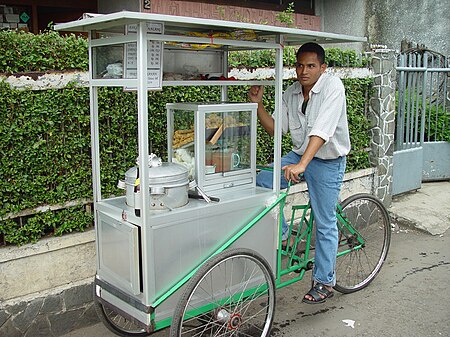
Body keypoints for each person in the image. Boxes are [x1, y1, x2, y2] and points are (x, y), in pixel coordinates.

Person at [248, 42, 350, 304]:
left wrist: (303, 164)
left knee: (324, 221)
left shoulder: (332, 88)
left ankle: (325, 281)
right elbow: (276, 130)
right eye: (300, 65)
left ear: (323, 68)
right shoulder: (292, 92)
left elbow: (322, 133)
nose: (304, 71)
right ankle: (282, 234)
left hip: (326, 160)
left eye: (311, 65)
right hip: (300, 155)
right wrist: (258, 105)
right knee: (263, 180)